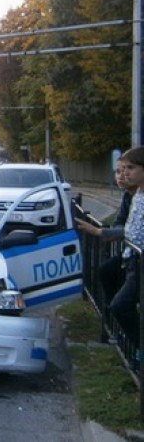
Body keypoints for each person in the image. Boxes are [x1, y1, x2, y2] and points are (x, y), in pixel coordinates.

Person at [94, 147, 144, 345]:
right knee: (120, 301)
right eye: (121, 169)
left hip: (138, 261)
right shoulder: (136, 195)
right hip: (132, 258)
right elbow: (128, 226)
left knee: (121, 305)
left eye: (130, 168)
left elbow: (129, 230)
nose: (124, 173)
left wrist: (100, 232)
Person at [75, 158, 134, 303]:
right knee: (106, 271)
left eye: (127, 169)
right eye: (118, 171)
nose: (121, 175)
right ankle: (111, 316)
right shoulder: (128, 196)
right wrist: (115, 232)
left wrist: (101, 232)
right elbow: (119, 223)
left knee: (121, 301)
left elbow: (133, 230)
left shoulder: (139, 197)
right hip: (131, 255)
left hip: (136, 257)